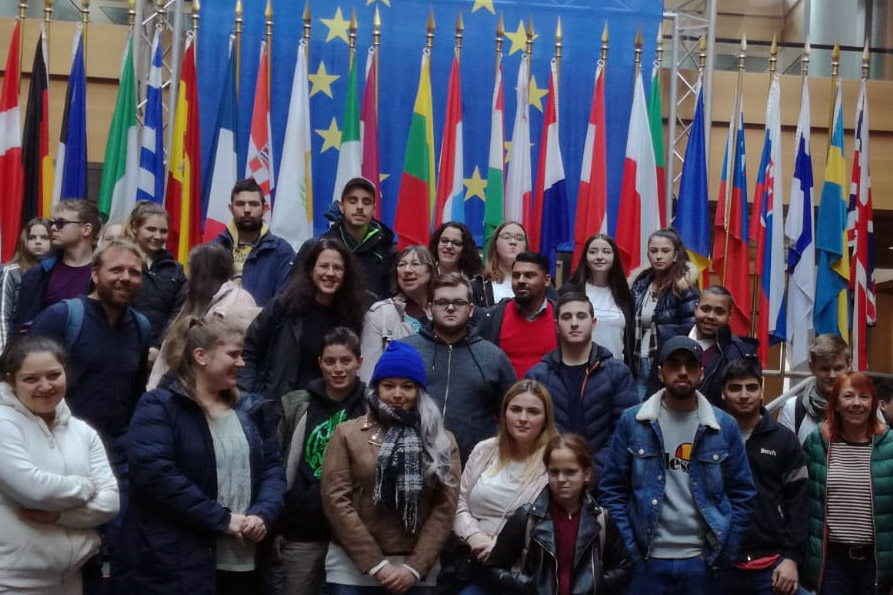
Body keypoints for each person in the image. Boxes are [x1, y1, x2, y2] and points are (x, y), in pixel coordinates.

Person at [114, 315, 286, 595]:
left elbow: (273, 469)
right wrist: (221, 519)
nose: (242, 363)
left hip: (245, 564)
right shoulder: (159, 406)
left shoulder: (250, 410)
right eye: (233, 354)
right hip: (177, 566)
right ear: (201, 356)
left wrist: (262, 514)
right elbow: (156, 475)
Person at [599, 336, 756, 594]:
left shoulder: (723, 426)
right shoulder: (633, 421)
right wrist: (630, 550)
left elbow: (743, 494)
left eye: (690, 365)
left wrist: (724, 552)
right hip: (646, 562)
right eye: (674, 364)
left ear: (702, 373)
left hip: (703, 564)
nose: (683, 372)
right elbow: (612, 490)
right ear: (661, 373)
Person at [321, 341, 461, 594]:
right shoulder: (347, 434)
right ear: (376, 388)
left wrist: (415, 567)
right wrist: (376, 564)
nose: (398, 394)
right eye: (389, 386)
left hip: (416, 567)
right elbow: (335, 500)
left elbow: (445, 507)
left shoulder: (440, 439)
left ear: (419, 391)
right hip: (353, 566)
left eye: (407, 387)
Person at [0, 335, 119, 594]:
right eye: (31, 379)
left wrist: (60, 515)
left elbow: (110, 503)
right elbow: (35, 491)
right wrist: (85, 486)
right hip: (11, 582)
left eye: (53, 375)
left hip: (74, 578)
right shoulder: (3, 423)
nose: (45, 386)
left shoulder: (83, 432)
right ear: (11, 380)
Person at [275, 327, 369, 595]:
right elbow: (279, 467)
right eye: (330, 361)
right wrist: (276, 525)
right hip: (302, 528)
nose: (338, 369)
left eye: (346, 361)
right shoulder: (297, 405)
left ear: (359, 362)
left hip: (354, 533)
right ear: (320, 364)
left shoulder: (372, 407)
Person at [481, 434, 632, 595]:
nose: (561, 479)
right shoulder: (527, 517)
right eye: (554, 472)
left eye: (570, 472)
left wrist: (595, 584)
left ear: (586, 474)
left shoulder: (601, 520)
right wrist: (526, 585)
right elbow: (493, 568)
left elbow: (623, 568)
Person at [451, 379, 559, 594]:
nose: (522, 419)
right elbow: (459, 504)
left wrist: (502, 549)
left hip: (527, 571)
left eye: (533, 412)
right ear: (504, 413)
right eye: (515, 410)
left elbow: (560, 522)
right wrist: (474, 536)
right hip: (478, 562)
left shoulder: (556, 458)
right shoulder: (484, 450)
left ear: (546, 418)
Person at [400, 273, 516, 462]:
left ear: (470, 309)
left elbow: (514, 411)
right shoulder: (405, 351)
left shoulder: (493, 357)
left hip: (475, 465)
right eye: (442, 302)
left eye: (459, 303)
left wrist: (491, 445)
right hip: (412, 460)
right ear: (430, 309)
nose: (451, 308)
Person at [718, 359, 808, 595]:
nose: (744, 395)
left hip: (774, 565)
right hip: (720, 563)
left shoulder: (784, 440)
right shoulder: (709, 437)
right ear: (723, 393)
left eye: (751, 387)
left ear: (761, 389)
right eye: (735, 388)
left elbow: (798, 503)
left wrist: (792, 559)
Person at [526, 292, 639, 475]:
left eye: (581, 316)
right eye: (566, 317)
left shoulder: (616, 373)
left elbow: (626, 430)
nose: (574, 323)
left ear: (593, 323)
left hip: (605, 481)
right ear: (556, 325)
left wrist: (592, 472)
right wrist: (557, 470)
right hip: (550, 478)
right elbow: (531, 432)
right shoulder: (538, 376)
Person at [240, 239, 366, 402]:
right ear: (311, 269)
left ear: (346, 274)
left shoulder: (352, 316)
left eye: (337, 268)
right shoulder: (283, 306)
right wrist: (248, 397)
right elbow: (249, 350)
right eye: (323, 266)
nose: (330, 273)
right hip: (278, 407)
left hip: (328, 410)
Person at [801, 372, 893, 595]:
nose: (856, 404)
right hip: (831, 561)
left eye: (863, 397)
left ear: (873, 404)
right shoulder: (816, 442)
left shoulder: (890, 445)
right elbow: (803, 502)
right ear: (836, 405)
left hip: (877, 562)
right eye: (848, 396)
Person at [148, 243, 259, 389]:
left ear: (203, 273)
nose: (187, 276)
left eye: (191, 269)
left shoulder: (240, 302)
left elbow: (239, 356)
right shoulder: (196, 300)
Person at [649, 285, 757, 407]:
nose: (710, 316)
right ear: (696, 309)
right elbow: (653, 390)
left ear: (729, 316)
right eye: (705, 309)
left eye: (719, 312)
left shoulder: (739, 353)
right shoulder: (668, 338)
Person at [297, 176, 397, 300]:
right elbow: (295, 295)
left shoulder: (387, 251)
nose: (360, 207)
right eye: (353, 201)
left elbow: (393, 300)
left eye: (366, 202)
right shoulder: (314, 247)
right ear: (341, 206)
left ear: (374, 209)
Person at [629, 228, 699, 398]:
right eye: (654, 251)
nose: (658, 256)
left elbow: (689, 330)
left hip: (665, 362)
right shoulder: (639, 285)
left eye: (665, 251)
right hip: (636, 361)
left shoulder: (684, 287)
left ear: (675, 255)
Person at [16, 200, 102, 330]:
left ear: (86, 229)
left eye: (61, 223)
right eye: (53, 223)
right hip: (45, 347)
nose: (53, 228)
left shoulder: (106, 273)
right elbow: (22, 326)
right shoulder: (38, 274)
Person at [211, 178, 295, 307]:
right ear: (231, 208)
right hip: (216, 324)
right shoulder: (212, 250)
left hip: (263, 325)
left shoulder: (281, 252)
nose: (247, 209)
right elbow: (198, 300)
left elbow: (284, 304)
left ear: (265, 208)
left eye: (254, 204)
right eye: (240, 204)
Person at [122, 201, 186, 363]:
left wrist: (159, 346)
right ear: (135, 228)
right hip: (120, 347)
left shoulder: (176, 269)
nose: (157, 236)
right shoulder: (117, 262)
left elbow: (179, 312)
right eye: (150, 229)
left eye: (163, 231)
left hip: (159, 355)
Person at [358, 245, 435, 381]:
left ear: (431, 271)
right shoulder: (379, 313)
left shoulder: (443, 312)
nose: (407, 270)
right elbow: (367, 372)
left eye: (415, 264)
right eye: (402, 265)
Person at [478, 252, 558, 379]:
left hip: (549, 397)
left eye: (529, 275)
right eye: (516, 276)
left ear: (547, 280)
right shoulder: (493, 318)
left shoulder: (561, 318)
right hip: (504, 397)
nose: (520, 281)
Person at [560, 233, 635, 365]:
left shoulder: (624, 295)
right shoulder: (569, 291)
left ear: (614, 258)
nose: (599, 257)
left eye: (606, 252)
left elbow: (630, 340)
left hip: (616, 371)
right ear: (585, 258)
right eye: (593, 252)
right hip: (577, 368)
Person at [778, 334, 852, 444]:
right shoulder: (793, 409)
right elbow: (783, 456)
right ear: (812, 367)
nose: (832, 375)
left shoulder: (866, 408)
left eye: (838, 368)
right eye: (824, 369)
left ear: (849, 365)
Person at [472, 222, 557, 307]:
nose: (513, 242)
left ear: (526, 247)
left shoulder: (542, 284)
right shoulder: (479, 286)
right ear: (495, 245)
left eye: (519, 238)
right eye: (506, 237)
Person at [0, 217, 51, 350]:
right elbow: (3, 314)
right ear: (24, 240)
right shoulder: (12, 271)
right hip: (14, 340)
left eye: (44, 237)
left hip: (45, 341)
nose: (38, 242)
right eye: (32, 237)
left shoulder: (55, 271)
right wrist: (3, 351)